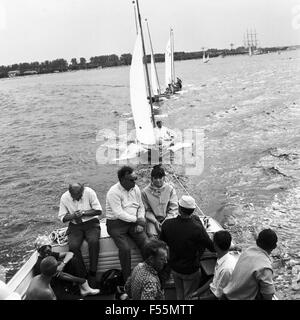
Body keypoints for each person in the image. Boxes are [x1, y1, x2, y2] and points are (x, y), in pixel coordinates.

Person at [160, 195, 215, 300]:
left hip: (175, 268)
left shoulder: (167, 224)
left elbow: (162, 243)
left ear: (179, 208)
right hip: (191, 270)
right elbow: (212, 247)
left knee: (180, 294)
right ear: (193, 210)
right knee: (189, 296)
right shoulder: (197, 228)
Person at [106, 166, 148, 282]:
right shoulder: (113, 192)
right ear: (122, 180)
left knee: (146, 243)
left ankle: (149, 273)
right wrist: (137, 220)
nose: (134, 182)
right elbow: (119, 213)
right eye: (131, 180)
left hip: (133, 222)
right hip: (116, 224)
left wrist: (140, 219)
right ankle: (127, 279)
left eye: (135, 179)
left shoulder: (136, 188)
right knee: (125, 249)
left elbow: (140, 206)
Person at [58, 182, 103, 288]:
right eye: (74, 196)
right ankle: (82, 276)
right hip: (75, 225)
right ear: (70, 193)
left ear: (82, 191)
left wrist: (83, 213)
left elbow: (98, 211)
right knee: (73, 246)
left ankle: (92, 273)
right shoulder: (64, 197)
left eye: (79, 195)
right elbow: (62, 217)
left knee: (93, 242)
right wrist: (73, 215)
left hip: (91, 223)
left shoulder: (90, 192)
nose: (77, 198)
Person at [33, 235, 99, 299]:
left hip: (59, 279)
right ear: (39, 251)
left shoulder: (50, 254)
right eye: (45, 250)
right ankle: (83, 287)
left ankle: (83, 288)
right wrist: (82, 281)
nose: (48, 253)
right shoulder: (41, 264)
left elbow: (70, 253)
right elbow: (61, 275)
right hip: (53, 287)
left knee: (73, 260)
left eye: (49, 249)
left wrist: (62, 264)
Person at [222, 228, 278, 300]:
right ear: (274, 247)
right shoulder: (265, 267)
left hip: (226, 294)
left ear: (257, 241)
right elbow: (268, 296)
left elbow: (255, 266)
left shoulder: (247, 251)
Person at [189, 230, 237, 300]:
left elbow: (218, 296)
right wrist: (196, 293)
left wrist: (198, 298)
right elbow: (213, 279)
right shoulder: (222, 258)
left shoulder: (226, 269)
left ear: (215, 245)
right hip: (213, 292)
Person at [142, 165, 178, 238]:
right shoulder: (144, 192)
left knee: (172, 235)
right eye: (155, 178)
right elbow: (147, 210)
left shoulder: (170, 189)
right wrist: (155, 222)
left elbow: (173, 208)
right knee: (152, 236)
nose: (158, 180)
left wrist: (166, 222)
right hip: (152, 220)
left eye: (160, 178)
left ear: (164, 178)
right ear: (152, 179)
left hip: (168, 219)